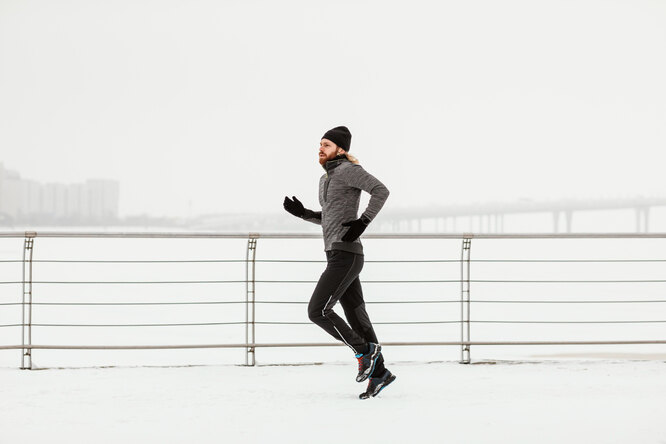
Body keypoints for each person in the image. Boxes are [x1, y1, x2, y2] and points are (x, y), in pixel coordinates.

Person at [283, 126, 396, 399]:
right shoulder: (326, 179)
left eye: (327, 145)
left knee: (318, 311)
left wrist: (363, 222)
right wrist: (304, 214)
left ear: (341, 149)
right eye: (320, 144)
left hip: (346, 254)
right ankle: (380, 373)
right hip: (337, 253)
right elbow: (331, 217)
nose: (321, 148)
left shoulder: (348, 170)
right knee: (358, 318)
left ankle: (364, 351)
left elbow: (381, 191)